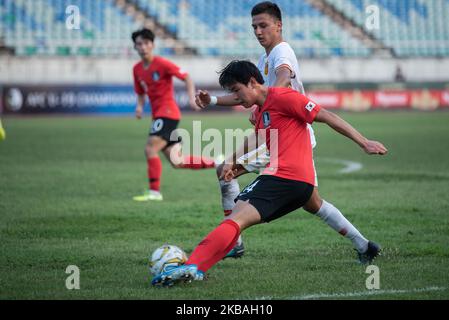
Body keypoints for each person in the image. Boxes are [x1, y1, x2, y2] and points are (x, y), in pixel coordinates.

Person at [152, 60, 388, 287]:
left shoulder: (283, 97)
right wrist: (235, 163)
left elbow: (327, 116)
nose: (236, 98)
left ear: (253, 82)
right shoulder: (263, 110)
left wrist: (363, 142)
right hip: (297, 182)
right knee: (305, 206)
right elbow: (261, 141)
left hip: (286, 178)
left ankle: (193, 266)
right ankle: (366, 247)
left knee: (235, 218)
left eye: (237, 91)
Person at [196, 2, 370, 263]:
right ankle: (366, 246)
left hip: (286, 138)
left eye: (263, 25)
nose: (257, 31)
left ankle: (234, 242)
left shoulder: (282, 52)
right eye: (254, 26)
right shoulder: (264, 58)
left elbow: (283, 78)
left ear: (279, 25)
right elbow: (247, 94)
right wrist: (213, 102)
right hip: (285, 136)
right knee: (312, 203)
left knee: (225, 169)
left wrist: (268, 104)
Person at [131, 29, 216, 202]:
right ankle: (218, 162)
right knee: (177, 161)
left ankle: (154, 192)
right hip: (158, 116)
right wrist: (139, 107)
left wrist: (193, 98)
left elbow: (187, 77)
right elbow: (140, 93)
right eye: (139, 43)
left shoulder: (162, 63)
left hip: (168, 113)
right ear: (135, 46)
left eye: (147, 43)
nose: (143, 47)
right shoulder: (137, 69)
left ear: (153, 45)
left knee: (150, 149)